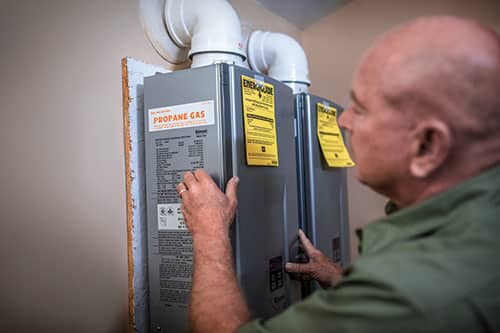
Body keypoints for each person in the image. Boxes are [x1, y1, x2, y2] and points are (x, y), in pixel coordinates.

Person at [176, 16, 500, 333]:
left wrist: (209, 232)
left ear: (427, 146)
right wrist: (346, 284)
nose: (345, 123)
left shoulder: (410, 293)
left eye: (361, 108)